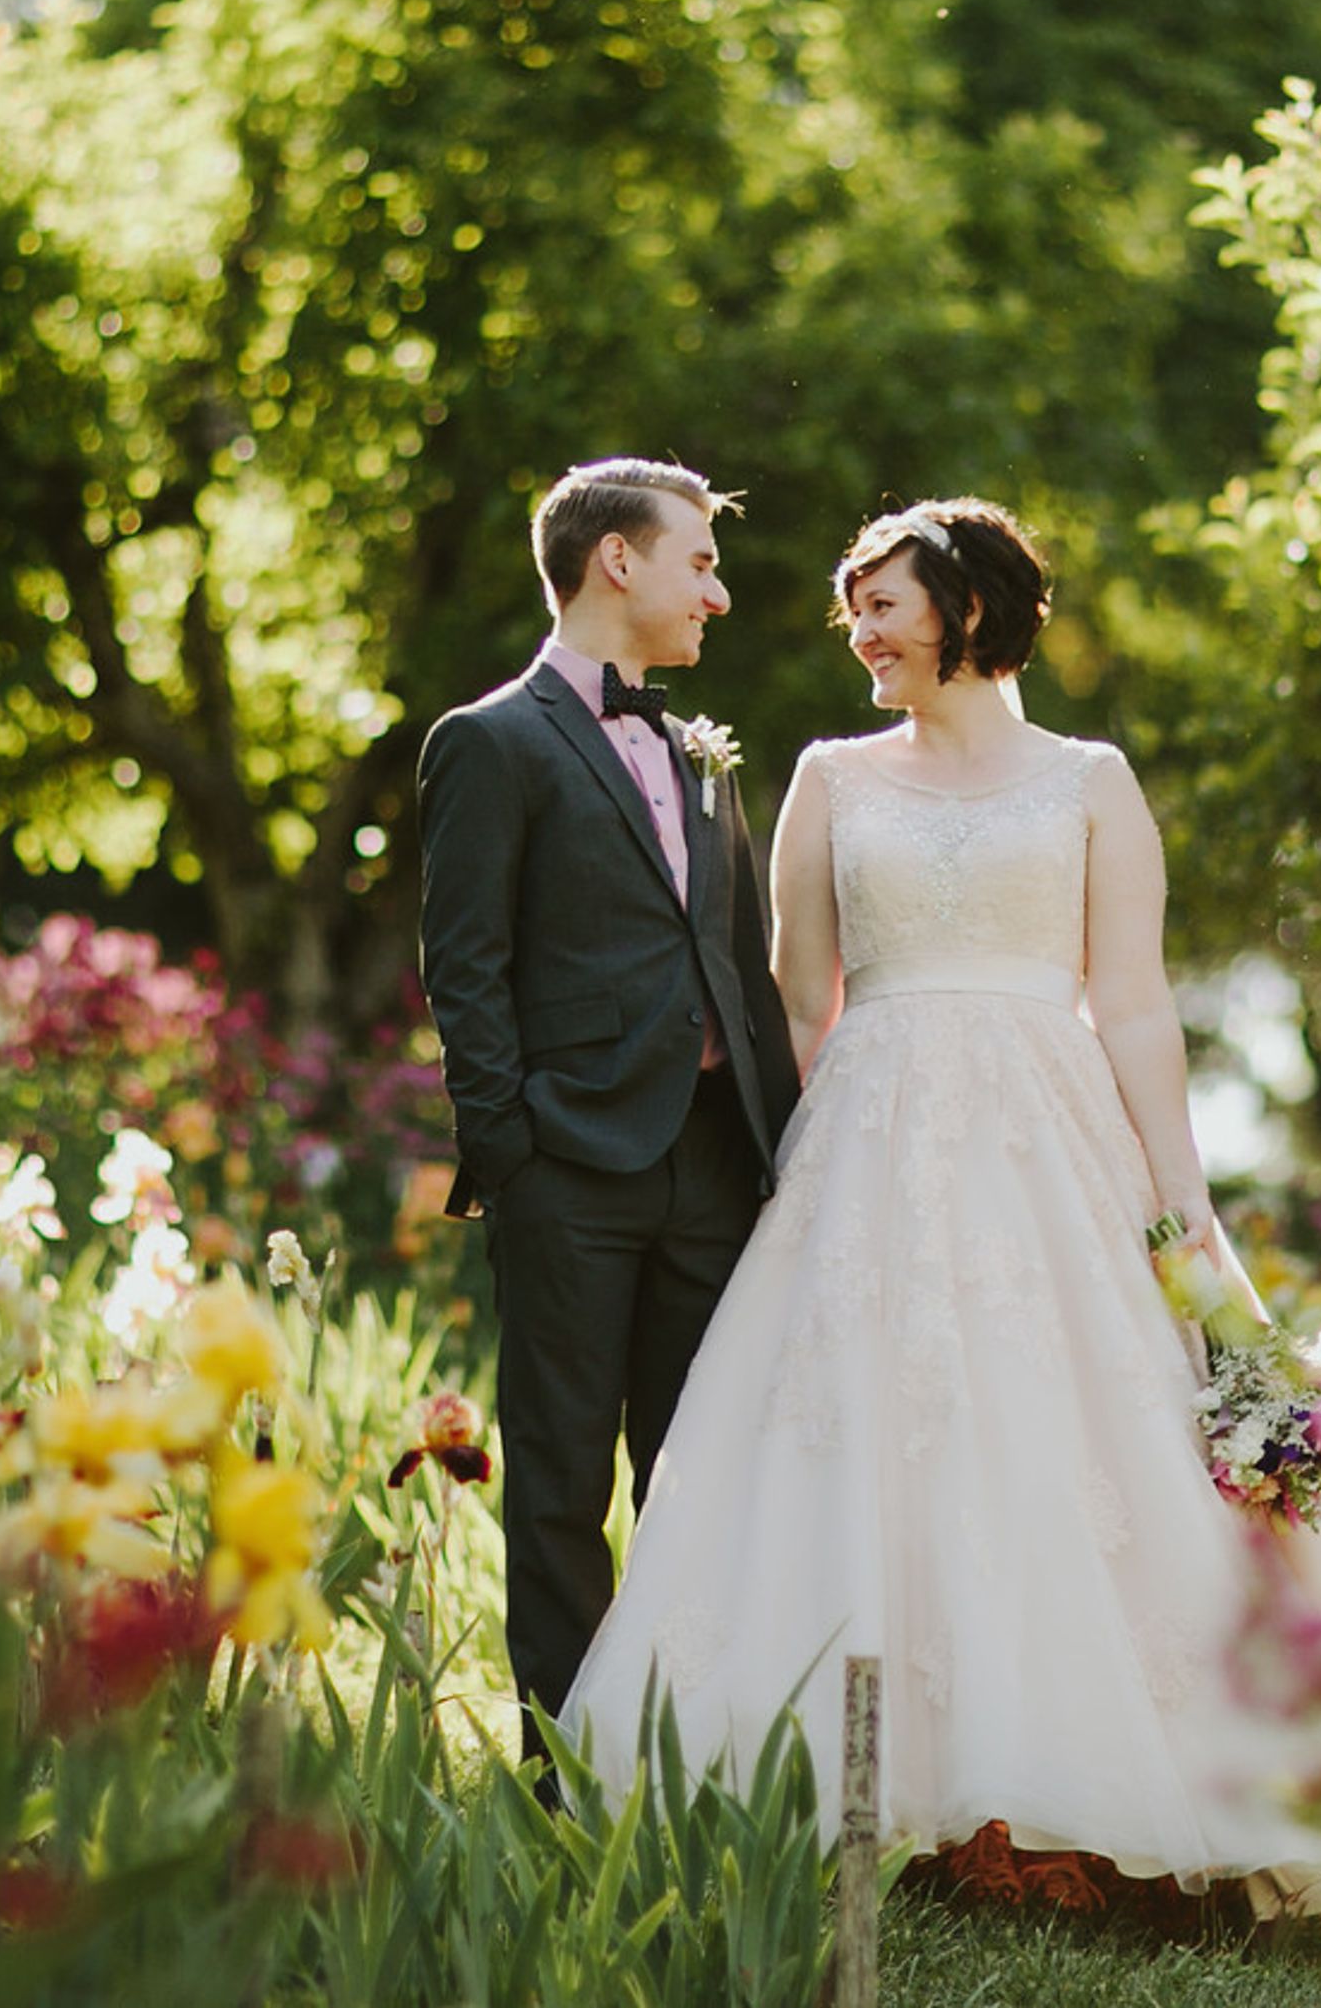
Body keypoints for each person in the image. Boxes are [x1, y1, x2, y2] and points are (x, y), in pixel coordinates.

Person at [559, 497, 1321, 1930]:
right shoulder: (831, 777)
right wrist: (783, 1179)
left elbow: (1139, 1003)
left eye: (884, 602)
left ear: (970, 605)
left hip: (1057, 1132)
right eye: (856, 605)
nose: (861, 629)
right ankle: (854, 1787)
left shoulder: (1092, 779)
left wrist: (1182, 1202)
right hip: (871, 1143)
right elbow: (798, 999)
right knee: (867, 1435)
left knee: (1075, 1427)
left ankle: (1140, 1784)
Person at [415, 458, 802, 1758]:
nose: (721, 591)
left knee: (702, 1486)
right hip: (567, 1167)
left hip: (713, 1166)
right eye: (700, 559)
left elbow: (742, 965)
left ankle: (695, 1759)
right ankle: (567, 1777)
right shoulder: (491, 741)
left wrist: (782, 1146)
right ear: (616, 561)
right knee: (564, 1484)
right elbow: (464, 965)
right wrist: (510, 1147)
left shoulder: (704, 752)